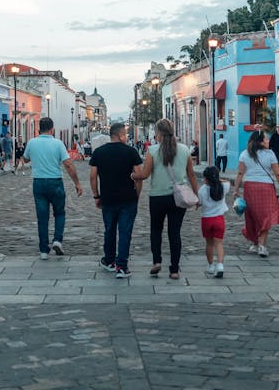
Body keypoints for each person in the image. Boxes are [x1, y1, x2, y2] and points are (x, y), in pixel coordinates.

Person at [132, 118, 197, 279]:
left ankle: (157, 262)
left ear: (159, 133)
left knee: (156, 230)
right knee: (175, 233)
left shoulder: (153, 150)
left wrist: (134, 175)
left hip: (158, 197)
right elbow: (191, 175)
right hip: (178, 197)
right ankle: (174, 270)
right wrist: (196, 195)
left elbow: (145, 175)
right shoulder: (184, 150)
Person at [23, 117, 84, 259]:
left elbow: (25, 159)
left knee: (42, 217)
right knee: (59, 213)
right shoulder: (58, 144)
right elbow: (68, 164)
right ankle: (57, 240)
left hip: (38, 183)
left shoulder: (32, 142)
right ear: (52, 129)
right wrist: (77, 183)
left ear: (39, 129)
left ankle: (44, 250)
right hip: (55, 182)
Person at [89, 122, 143, 278]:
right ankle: (122, 266)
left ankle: (109, 260)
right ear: (120, 135)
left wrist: (96, 195)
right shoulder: (131, 152)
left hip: (108, 198)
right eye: (125, 134)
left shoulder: (99, 152)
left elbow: (93, 176)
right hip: (128, 198)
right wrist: (137, 194)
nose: (126, 137)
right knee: (125, 232)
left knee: (109, 230)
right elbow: (139, 176)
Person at [229, 129, 279, 258]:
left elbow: (240, 173)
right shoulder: (270, 154)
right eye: (266, 139)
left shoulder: (245, 154)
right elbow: (277, 173)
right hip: (266, 188)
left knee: (253, 216)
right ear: (260, 141)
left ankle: (256, 243)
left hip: (250, 188)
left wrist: (236, 189)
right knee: (266, 216)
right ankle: (261, 245)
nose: (268, 140)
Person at [198, 165, 228, 278]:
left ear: (206, 179)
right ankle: (220, 265)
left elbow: (199, 202)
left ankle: (210, 266)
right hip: (219, 219)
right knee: (219, 243)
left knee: (209, 244)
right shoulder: (224, 186)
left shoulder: (202, 190)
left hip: (206, 220)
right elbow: (225, 181)